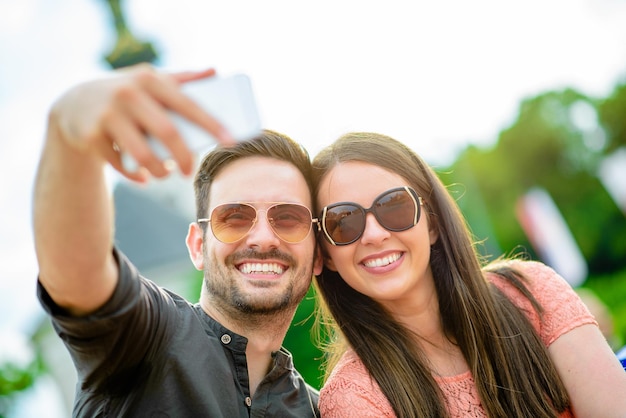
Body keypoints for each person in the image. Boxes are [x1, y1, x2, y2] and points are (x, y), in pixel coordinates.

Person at [32, 65, 322, 417]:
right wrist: (68, 128)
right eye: (234, 218)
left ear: (317, 255)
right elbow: (79, 271)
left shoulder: (319, 410)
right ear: (198, 245)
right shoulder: (144, 337)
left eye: (288, 218)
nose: (262, 237)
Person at [311, 132, 626, 417]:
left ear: (432, 223)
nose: (374, 234)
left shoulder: (533, 293)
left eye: (395, 205)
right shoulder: (353, 399)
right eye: (344, 221)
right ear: (327, 254)